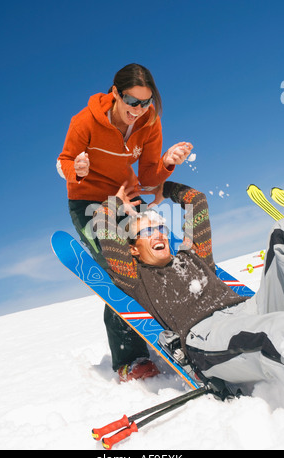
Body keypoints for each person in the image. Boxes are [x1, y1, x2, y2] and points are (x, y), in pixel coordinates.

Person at [57, 63, 193, 381]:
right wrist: (76, 167)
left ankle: (186, 331)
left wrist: (167, 163)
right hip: (89, 203)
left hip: (127, 199)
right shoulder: (85, 121)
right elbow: (63, 161)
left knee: (160, 259)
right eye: (133, 102)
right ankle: (129, 360)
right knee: (123, 270)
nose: (139, 110)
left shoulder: (150, 122)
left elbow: (148, 177)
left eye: (146, 102)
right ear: (115, 93)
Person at [92, 180, 284, 392]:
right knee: (279, 331)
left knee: (282, 230)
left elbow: (197, 200)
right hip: (210, 335)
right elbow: (102, 225)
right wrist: (116, 203)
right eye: (147, 231)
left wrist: (164, 188)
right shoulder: (136, 277)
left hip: (250, 309)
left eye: (160, 228)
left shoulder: (196, 256)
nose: (158, 234)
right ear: (133, 250)